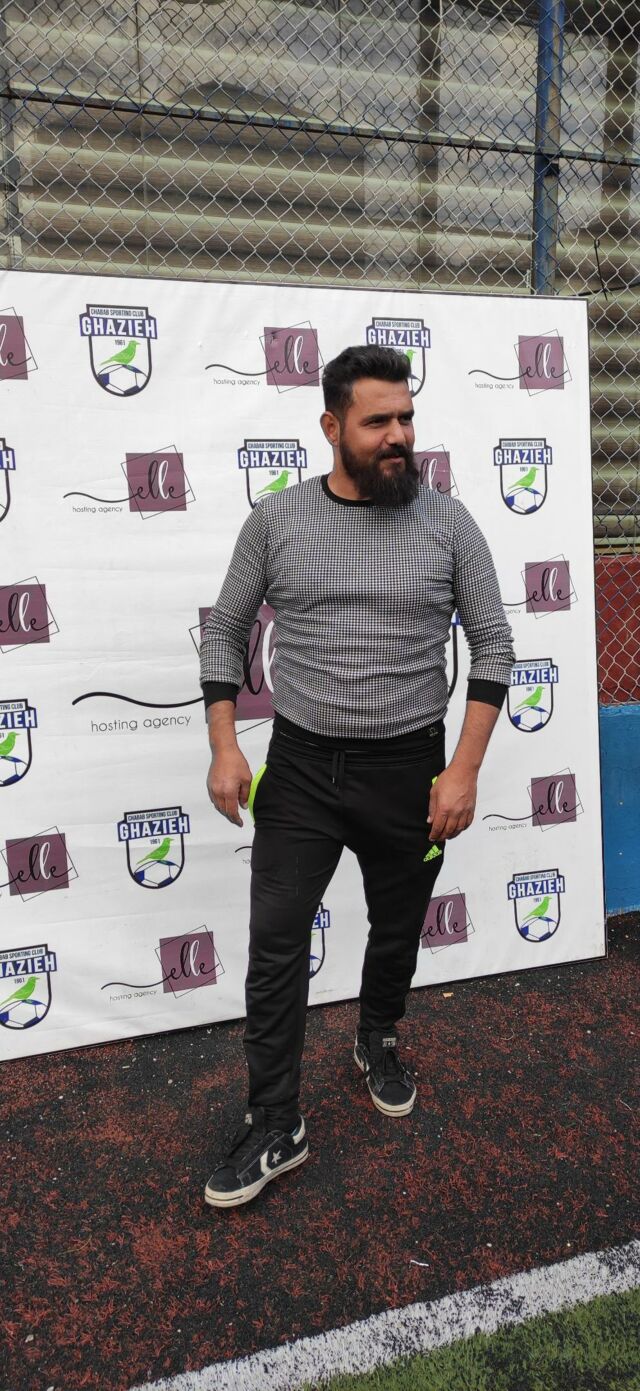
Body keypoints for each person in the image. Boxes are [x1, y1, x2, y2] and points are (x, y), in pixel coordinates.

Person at [200, 344, 514, 1209]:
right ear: (332, 427)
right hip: (301, 769)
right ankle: (276, 1120)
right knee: (276, 942)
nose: (399, 435)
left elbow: (494, 644)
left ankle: (377, 1033)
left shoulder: (448, 523)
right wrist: (225, 744)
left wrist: (463, 769)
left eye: (406, 417)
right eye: (378, 421)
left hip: (410, 770)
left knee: (397, 925)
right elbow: (225, 628)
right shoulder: (278, 521)